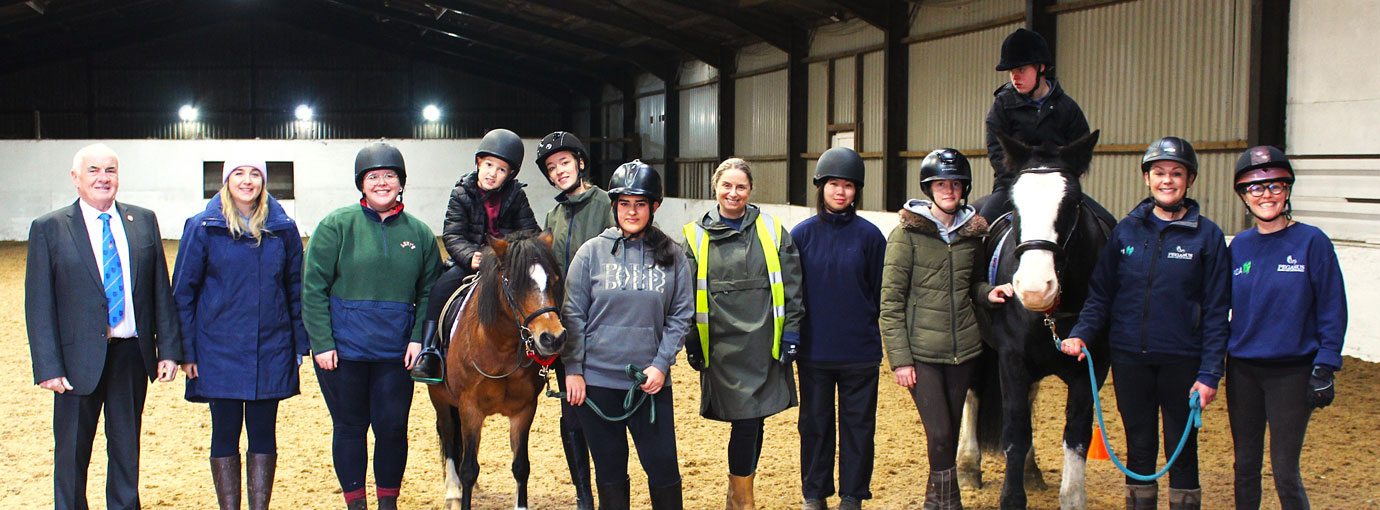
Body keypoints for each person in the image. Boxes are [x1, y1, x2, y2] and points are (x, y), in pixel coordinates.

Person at [1060, 137, 1230, 510]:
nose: (1167, 180)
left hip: (1182, 361)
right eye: (1159, 173)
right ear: (1147, 179)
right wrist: (1082, 333)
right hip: (1130, 359)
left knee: (1181, 449)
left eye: (1176, 173)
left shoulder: (1208, 237)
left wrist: (1210, 374)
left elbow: (1218, 311)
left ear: (1189, 180)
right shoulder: (1125, 232)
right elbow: (1102, 293)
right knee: (1139, 446)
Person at [25, 143, 182, 510]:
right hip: (75, 362)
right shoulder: (49, 228)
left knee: (127, 449)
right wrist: (47, 367)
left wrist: (169, 349)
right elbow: (38, 304)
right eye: (93, 170)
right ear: (75, 178)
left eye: (110, 170)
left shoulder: (143, 220)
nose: (103, 178)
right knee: (72, 453)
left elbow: (160, 288)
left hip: (130, 354)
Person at [303, 142, 442, 510]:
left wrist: (418, 340)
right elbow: (313, 287)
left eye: (389, 176)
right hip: (344, 352)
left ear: (401, 183)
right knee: (349, 428)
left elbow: (429, 292)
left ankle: (387, 503)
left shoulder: (421, 234)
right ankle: (356, 504)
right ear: (361, 184)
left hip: (396, 354)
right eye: (373, 176)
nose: (382, 182)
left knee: (392, 429)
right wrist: (322, 343)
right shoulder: (336, 226)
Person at [172, 159, 307, 510]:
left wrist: (299, 344)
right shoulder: (203, 227)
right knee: (225, 433)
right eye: (239, 174)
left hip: (271, 347)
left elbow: (296, 288)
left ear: (264, 180)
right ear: (226, 180)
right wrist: (187, 351)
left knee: (263, 433)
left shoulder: (283, 228)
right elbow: (183, 292)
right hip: (217, 350)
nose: (247, 181)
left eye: (255, 174)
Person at [561, 160, 693, 510]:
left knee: (663, 468)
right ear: (614, 205)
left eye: (640, 204)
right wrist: (573, 369)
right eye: (624, 203)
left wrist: (662, 365)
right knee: (610, 472)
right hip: (598, 384)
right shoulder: (590, 254)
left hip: (648, 385)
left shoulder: (673, 256)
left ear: (654, 207)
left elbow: (681, 315)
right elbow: (572, 314)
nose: (631, 212)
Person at [1226, 146, 1347, 510]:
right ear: (1244, 196)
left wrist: (1325, 365)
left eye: (1275, 186)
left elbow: (1332, 308)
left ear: (1288, 190)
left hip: (1292, 373)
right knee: (1245, 466)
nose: (1266, 195)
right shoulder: (1239, 247)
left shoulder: (1313, 243)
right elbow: (1219, 308)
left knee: (1284, 470)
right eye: (1256, 188)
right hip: (1243, 371)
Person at [680, 157, 805, 510]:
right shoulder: (694, 235)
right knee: (747, 421)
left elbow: (792, 285)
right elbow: (685, 292)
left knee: (752, 419)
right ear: (715, 188)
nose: (733, 193)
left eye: (741, 187)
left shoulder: (773, 230)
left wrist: (792, 330)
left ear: (750, 191)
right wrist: (692, 338)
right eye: (727, 185)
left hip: (763, 342)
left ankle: (740, 497)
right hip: (721, 346)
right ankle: (741, 496)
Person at [880, 149, 997, 510]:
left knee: (945, 436)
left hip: (963, 350)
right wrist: (900, 360)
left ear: (964, 188)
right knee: (942, 434)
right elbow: (890, 302)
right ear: (929, 188)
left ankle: (935, 501)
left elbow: (973, 286)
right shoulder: (906, 235)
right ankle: (951, 503)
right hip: (922, 353)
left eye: (955, 184)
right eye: (941, 184)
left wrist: (991, 292)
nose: (949, 190)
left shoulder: (972, 235)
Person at [789, 147, 887, 510]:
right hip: (815, 351)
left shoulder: (871, 237)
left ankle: (852, 494)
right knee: (814, 425)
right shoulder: (801, 236)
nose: (841, 192)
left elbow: (879, 292)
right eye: (834, 184)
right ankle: (815, 493)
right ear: (822, 187)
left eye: (848, 186)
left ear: (856, 191)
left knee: (858, 426)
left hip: (859, 353)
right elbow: (792, 293)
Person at [411, 128, 538, 384]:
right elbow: (453, 234)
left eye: (501, 169)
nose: (493, 173)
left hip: (504, 263)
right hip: (470, 262)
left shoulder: (517, 197)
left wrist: (511, 255)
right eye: (489, 164)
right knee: (439, 290)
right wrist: (470, 257)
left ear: (510, 174)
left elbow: (530, 232)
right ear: (479, 163)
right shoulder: (461, 193)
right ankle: (430, 350)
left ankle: (539, 348)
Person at [536, 131, 614, 510]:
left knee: (605, 414)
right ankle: (584, 495)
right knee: (572, 416)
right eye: (552, 168)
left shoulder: (606, 204)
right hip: (569, 328)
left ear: (580, 163)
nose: (559, 172)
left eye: (564, 163)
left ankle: (610, 489)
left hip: (605, 323)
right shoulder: (554, 214)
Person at [979, 27, 1092, 222]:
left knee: (1107, 223)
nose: (1015, 77)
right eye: (1012, 71)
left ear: (1040, 67)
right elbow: (997, 151)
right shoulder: (1002, 106)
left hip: (1059, 189)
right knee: (980, 228)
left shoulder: (1067, 108)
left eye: (1021, 70)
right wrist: (1024, 179)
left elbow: (1080, 149)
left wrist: (1061, 179)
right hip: (1012, 186)